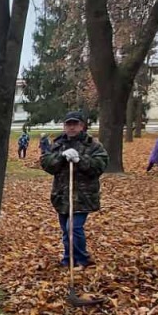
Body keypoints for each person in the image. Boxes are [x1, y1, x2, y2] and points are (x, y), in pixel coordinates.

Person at [40, 112, 108, 268]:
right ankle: (68, 258)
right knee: (66, 230)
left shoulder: (93, 145)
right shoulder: (57, 144)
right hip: (62, 195)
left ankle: (82, 258)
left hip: (83, 196)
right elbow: (46, 163)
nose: (71, 127)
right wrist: (61, 157)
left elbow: (100, 165)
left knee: (74, 227)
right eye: (68, 124)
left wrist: (80, 160)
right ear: (64, 126)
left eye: (75, 124)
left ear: (81, 126)